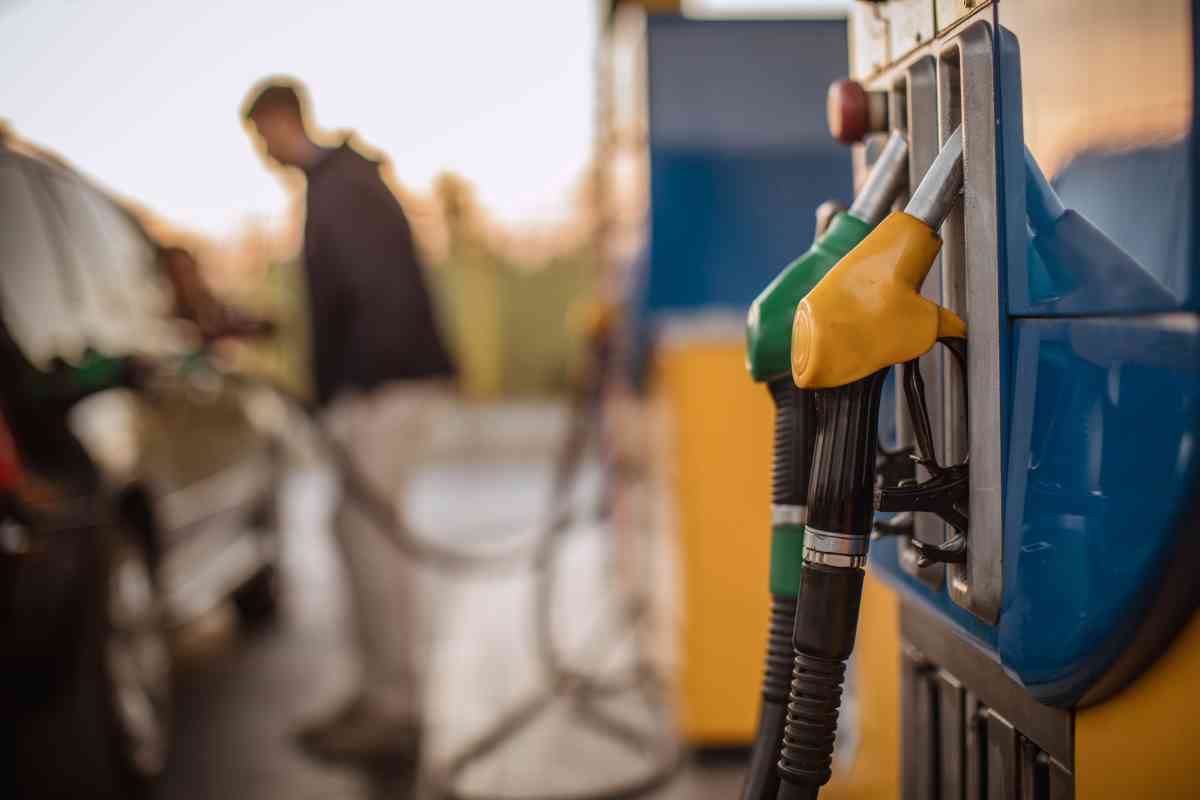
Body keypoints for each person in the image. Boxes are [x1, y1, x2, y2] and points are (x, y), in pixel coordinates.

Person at [241, 77, 457, 764]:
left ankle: (397, 710)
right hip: (379, 385)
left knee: (372, 538)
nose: (262, 152)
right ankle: (377, 693)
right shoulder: (337, 185)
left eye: (259, 137)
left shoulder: (341, 186)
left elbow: (368, 297)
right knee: (352, 529)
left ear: (280, 121)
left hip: (385, 389)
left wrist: (345, 392)